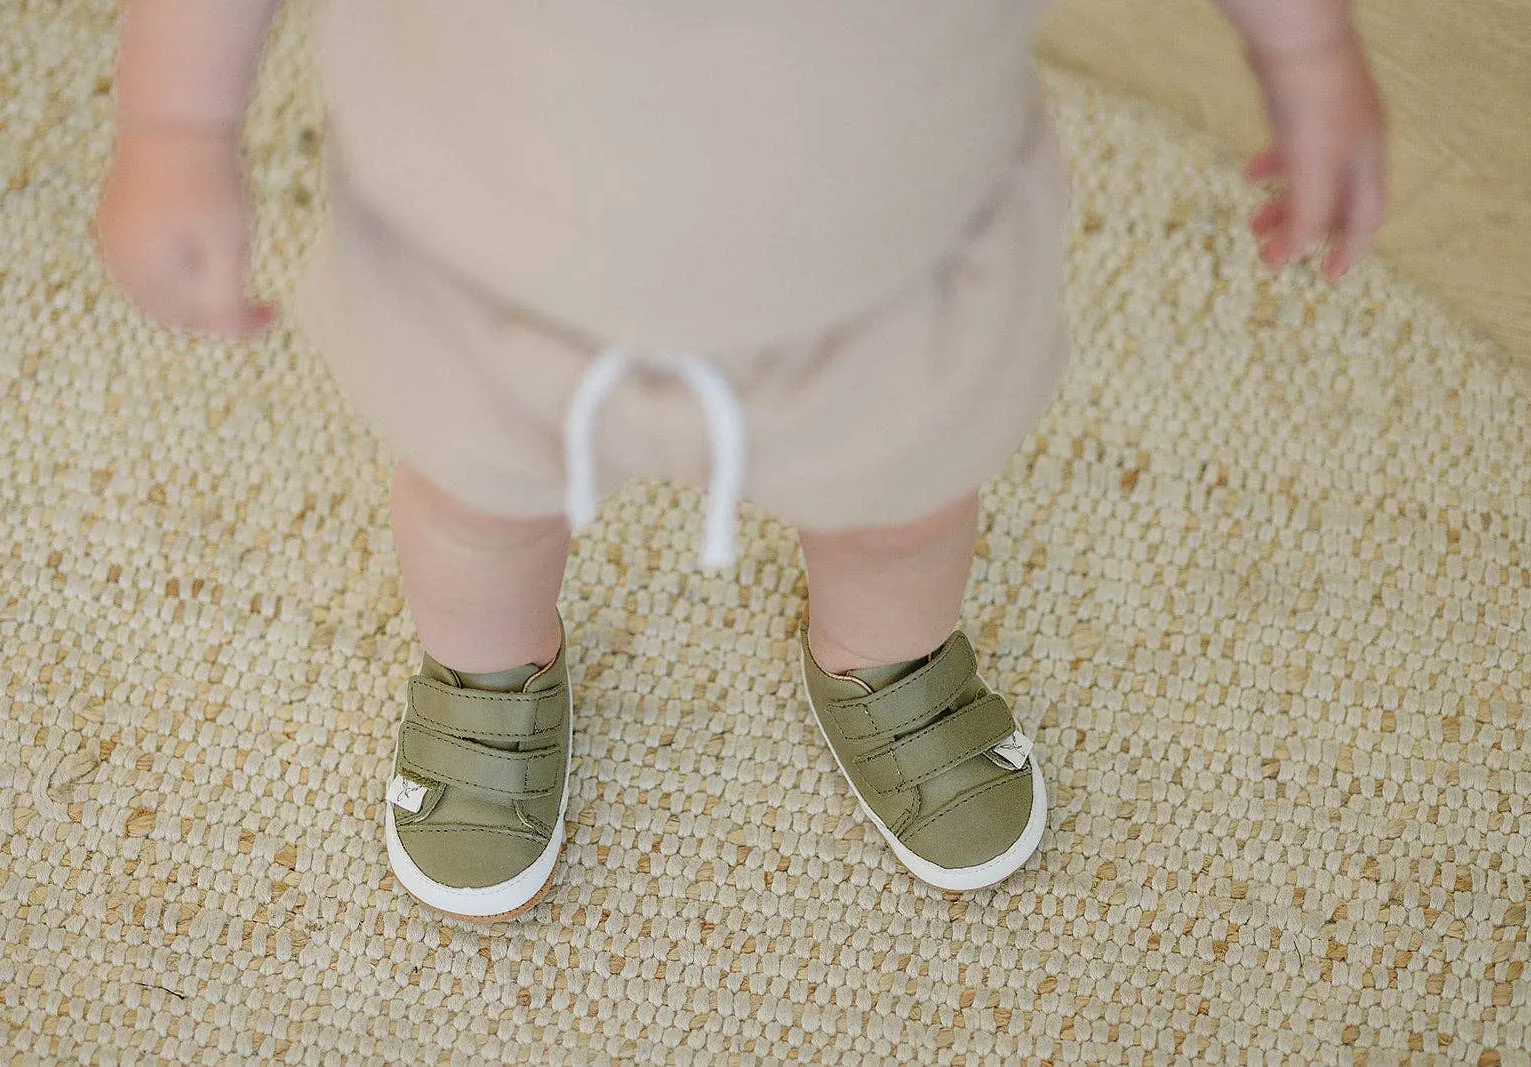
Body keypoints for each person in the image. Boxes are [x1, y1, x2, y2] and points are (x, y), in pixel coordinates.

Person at [97, 0, 1385, 921]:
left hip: (893, 276)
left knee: (903, 506)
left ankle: (883, 655)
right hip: (483, 281)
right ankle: (488, 669)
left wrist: (1308, 49)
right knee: (478, 507)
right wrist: (175, 123)